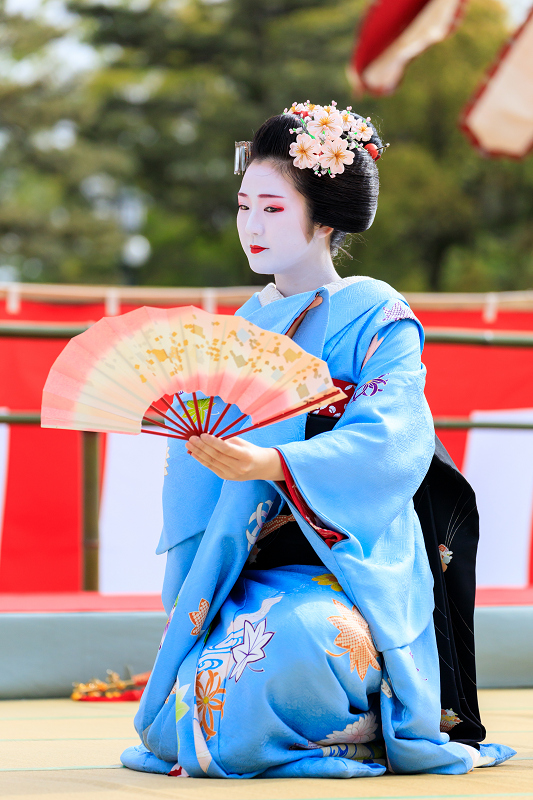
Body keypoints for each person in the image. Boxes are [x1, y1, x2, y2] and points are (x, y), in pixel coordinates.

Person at [121, 102, 515, 779]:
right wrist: (204, 455)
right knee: (201, 691)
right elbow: (197, 476)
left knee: (300, 641)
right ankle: (315, 728)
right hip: (245, 564)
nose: (251, 225)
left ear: (323, 217)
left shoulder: (379, 317)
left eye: (272, 209)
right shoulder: (239, 329)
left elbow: (391, 437)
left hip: (349, 563)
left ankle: (368, 720)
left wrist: (273, 459)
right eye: (244, 206)